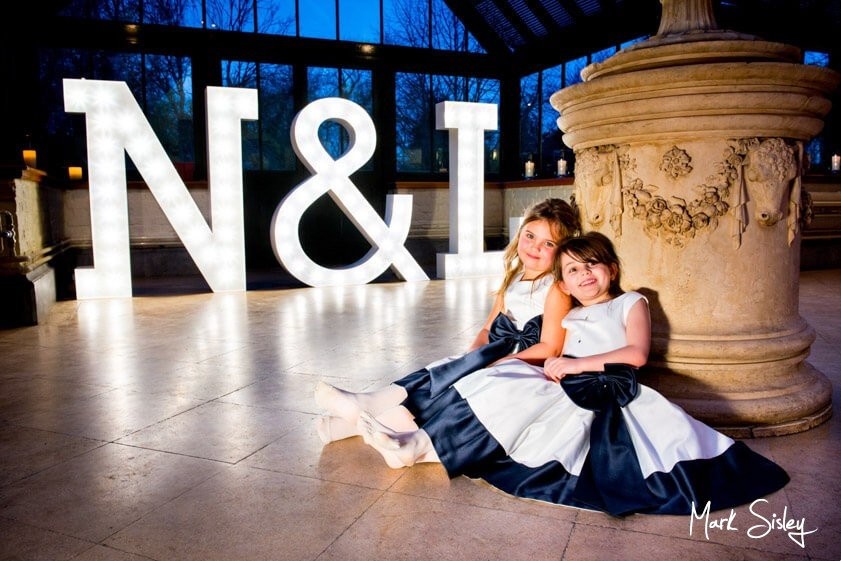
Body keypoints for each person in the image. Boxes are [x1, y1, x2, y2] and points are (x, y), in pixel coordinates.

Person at [357, 232, 789, 516]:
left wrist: (572, 366)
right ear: (562, 283)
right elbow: (549, 348)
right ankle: (418, 442)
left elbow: (636, 354)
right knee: (499, 382)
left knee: (522, 401)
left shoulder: (630, 303)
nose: (585, 275)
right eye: (573, 270)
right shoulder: (572, 314)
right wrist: (521, 363)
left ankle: (417, 447)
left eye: (593, 265)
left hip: (603, 388)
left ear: (612, 270)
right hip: (565, 378)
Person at [314, 198, 581, 450]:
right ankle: (354, 416)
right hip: (494, 353)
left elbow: (549, 348)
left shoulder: (555, 289)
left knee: (456, 389)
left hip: (520, 362)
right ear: (520, 233)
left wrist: (498, 363)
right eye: (530, 236)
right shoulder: (514, 277)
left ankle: (371, 414)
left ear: (563, 251)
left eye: (549, 244)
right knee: (442, 371)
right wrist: (472, 355)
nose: (535, 247)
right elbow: (488, 328)